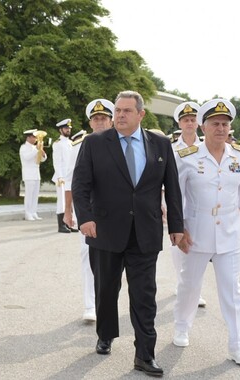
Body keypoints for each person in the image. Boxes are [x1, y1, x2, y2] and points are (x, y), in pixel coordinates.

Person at [72, 90, 184, 377]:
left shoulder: (159, 143)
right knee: (106, 290)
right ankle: (105, 334)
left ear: (140, 114)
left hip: (145, 232)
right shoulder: (95, 143)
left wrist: (176, 227)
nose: (119, 115)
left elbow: (172, 187)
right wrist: (85, 218)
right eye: (117, 111)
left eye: (126, 111)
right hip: (105, 230)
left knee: (145, 296)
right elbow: (81, 184)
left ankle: (145, 355)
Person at [173, 98, 240, 366]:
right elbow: (176, 197)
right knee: (190, 285)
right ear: (203, 127)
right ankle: (182, 327)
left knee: (232, 291)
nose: (221, 128)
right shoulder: (186, 157)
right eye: (215, 124)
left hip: (229, 234)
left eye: (225, 124)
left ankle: (237, 344)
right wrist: (180, 228)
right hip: (196, 234)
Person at [63, 98, 114, 322]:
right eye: (95, 119)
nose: (100, 122)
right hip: (89, 211)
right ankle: (90, 305)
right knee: (88, 258)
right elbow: (70, 181)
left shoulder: (121, 143)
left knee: (114, 261)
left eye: (103, 118)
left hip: (115, 212)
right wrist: (68, 211)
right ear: (90, 123)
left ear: (111, 121)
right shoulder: (79, 146)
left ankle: (108, 305)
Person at [170, 101, 207, 308]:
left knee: (198, 249)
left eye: (193, 119)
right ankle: (182, 284)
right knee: (178, 248)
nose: (190, 123)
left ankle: (195, 290)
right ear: (179, 123)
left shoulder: (206, 146)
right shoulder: (171, 148)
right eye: (186, 120)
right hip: (177, 205)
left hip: (200, 207)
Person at [52, 118, 73, 233]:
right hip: (62, 177)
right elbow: (57, 161)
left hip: (70, 176)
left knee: (70, 201)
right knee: (62, 201)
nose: (68, 130)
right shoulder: (58, 144)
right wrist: (59, 176)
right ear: (60, 130)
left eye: (69, 128)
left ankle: (69, 224)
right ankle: (61, 225)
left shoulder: (70, 143)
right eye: (66, 128)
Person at [20, 129, 47, 221]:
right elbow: (27, 157)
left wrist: (43, 154)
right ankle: (28, 213)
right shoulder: (23, 147)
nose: (36, 139)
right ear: (28, 137)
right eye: (34, 137)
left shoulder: (34, 147)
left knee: (35, 194)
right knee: (29, 195)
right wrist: (36, 149)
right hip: (28, 174)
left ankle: (33, 212)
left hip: (36, 174)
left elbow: (42, 160)